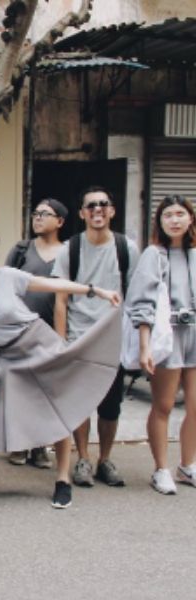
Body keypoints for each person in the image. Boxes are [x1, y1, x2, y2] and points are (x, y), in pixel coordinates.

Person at [0, 230, 121, 509]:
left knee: (59, 410)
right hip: (9, 359)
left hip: (40, 343)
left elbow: (52, 285)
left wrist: (95, 290)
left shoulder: (7, 277)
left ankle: (62, 479)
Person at [52, 186, 139, 488]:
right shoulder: (71, 249)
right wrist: (61, 342)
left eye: (103, 204)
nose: (97, 210)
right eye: (91, 206)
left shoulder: (126, 248)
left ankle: (105, 459)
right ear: (82, 213)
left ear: (112, 211)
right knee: (79, 402)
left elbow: (135, 295)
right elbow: (61, 299)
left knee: (110, 405)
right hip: (78, 336)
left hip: (112, 339)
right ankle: (84, 459)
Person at [125, 195, 196, 494]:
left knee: (195, 405)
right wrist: (144, 346)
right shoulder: (154, 255)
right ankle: (161, 469)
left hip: (195, 332)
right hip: (168, 335)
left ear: (190, 218)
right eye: (168, 215)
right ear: (160, 221)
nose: (175, 220)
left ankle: (187, 465)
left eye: (181, 214)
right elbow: (140, 302)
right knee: (164, 405)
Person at [3, 198, 68, 468]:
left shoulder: (68, 252)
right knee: (20, 388)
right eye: (36, 213)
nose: (38, 218)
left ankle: (40, 445)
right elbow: (5, 286)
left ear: (60, 221)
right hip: (20, 331)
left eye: (45, 214)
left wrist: (61, 341)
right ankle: (19, 443)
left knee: (46, 390)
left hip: (50, 331)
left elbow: (65, 298)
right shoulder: (21, 250)